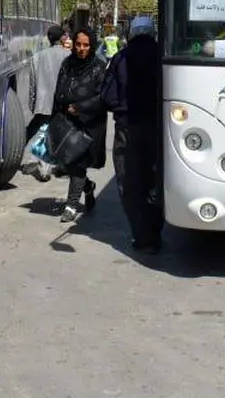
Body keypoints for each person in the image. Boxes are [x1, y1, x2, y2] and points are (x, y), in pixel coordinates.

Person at [101, 15, 164, 253]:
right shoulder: (162, 56)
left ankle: (141, 235)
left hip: (127, 127)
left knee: (130, 181)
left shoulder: (120, 58)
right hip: (157, 127)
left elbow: (107, 95)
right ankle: (155, 231)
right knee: (155, 178)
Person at [49, 27, 108, 223]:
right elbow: (59, 89)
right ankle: (88, 187)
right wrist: (57, 114)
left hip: (90, 124)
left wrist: (81, 107)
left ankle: (71, 205)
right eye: (78, 44)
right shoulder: (67, 64)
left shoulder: (99, 67)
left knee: (79, 164)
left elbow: (103, 97)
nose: (82, 48)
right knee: (69, 164)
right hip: (68, 122)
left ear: (92, 46)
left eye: (86, 45)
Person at [24, 24, 69, 182]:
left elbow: (32, 84)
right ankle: (53, 167)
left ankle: (44, 167)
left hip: (43, 102)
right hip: (62, 103)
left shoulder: (37, 57)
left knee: (44, 132)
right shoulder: (68, 56)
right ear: (62, 38)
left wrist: (32, 104)